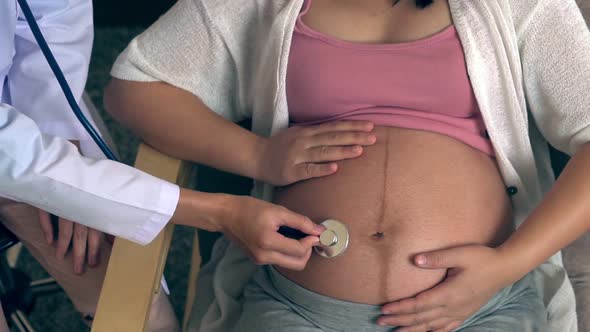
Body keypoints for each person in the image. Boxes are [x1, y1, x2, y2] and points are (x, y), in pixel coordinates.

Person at [105, 0, 590, 330]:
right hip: (300, 307)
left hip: (476, 307)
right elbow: (135, 87)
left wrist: (507, 265)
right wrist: (258, 155)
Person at [0, 0, 323, 330]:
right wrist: (221, 211)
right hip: (10, 152)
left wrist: (52, 124)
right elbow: (11, 157)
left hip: (20, 130)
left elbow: (49, 15)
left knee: (133, 303)